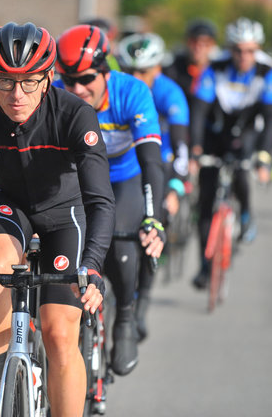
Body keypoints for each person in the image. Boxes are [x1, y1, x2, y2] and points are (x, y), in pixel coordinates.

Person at [0, 22, 115, 417]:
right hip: (7, 202)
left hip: (65, 213)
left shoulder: (75, 113)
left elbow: (101, 200)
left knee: (58, 332)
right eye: (5, 82)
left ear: (48, 77)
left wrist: (94, 267)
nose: (17, 95)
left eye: (30, 82)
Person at [55, 24, 167, 376]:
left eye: (86, 78)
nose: (77, 89)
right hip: (75, 175)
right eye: (68, 80)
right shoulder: (57, 93)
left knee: (119, 238)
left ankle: (126, 318)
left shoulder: (131, 92)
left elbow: (151, 162)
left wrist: (153, 218)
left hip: (124, 176)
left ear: (105, 70)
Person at [190, 17, 272, 289]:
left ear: (258, 50)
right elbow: (198, 112)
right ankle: (205, 267)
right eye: (239, 50)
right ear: (230, 49)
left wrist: (264, 157)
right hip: (215, 134)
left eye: (251, 50)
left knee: (242, 173)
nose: (244, 56)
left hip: (248, 133)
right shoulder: (215, 68)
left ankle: (246, 213)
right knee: (205, 201)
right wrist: (195, 151)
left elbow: (270, 119)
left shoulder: (268, 73)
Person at [116, 31, 190, 339]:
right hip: (121, 167)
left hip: (162, 161)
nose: (135, 77)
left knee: (156, 217)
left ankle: (142, 298)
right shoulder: (117, 90)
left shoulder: (170, 94)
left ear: (157, 69)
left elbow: (183, 148)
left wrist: (175, 187)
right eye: (129, 70)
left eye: (142, 72)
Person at [164, 18, 219, 106]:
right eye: (194, 41)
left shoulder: (218, 71)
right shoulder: (173, 70)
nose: (198, 47)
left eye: (205, 43)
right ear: (186, 42)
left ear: (212, 44)